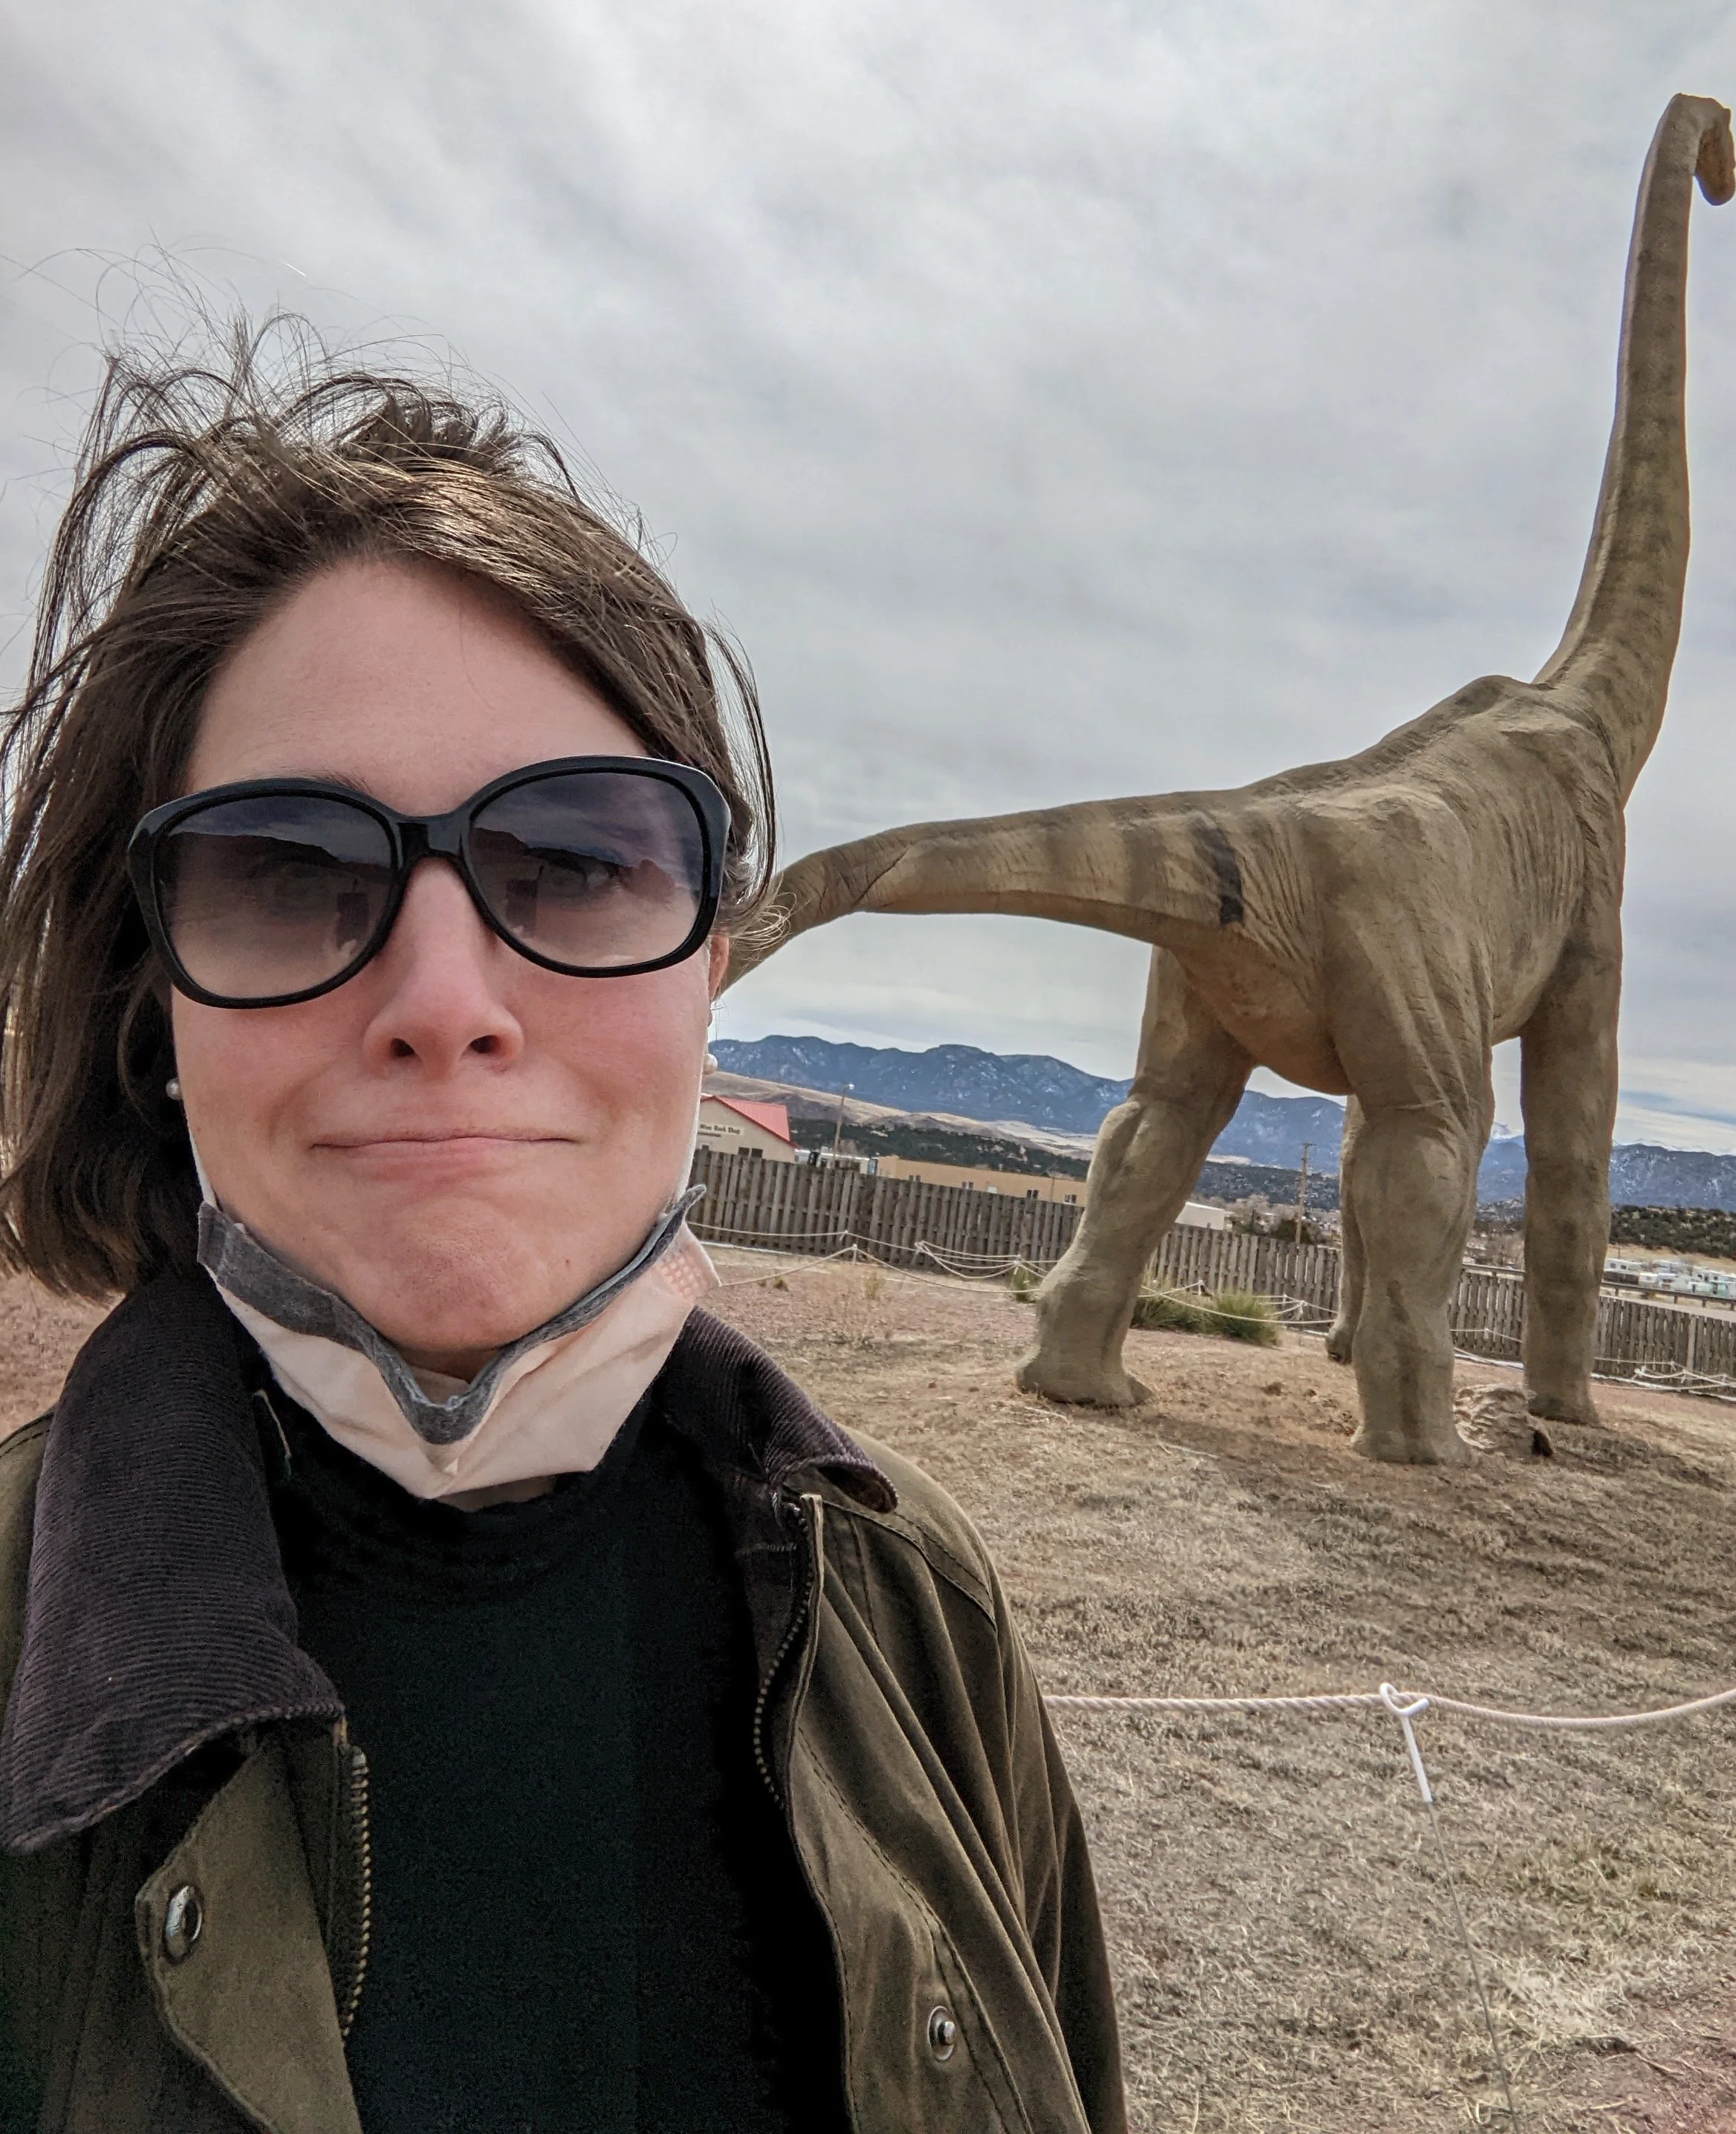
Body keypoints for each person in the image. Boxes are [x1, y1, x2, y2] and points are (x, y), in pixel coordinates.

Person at [0, 331, 1125, 2134]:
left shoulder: (916, 1614)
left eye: (579, 860)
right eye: (291, 869)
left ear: (711, 974)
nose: (446, 1000)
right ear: (157, 1015)